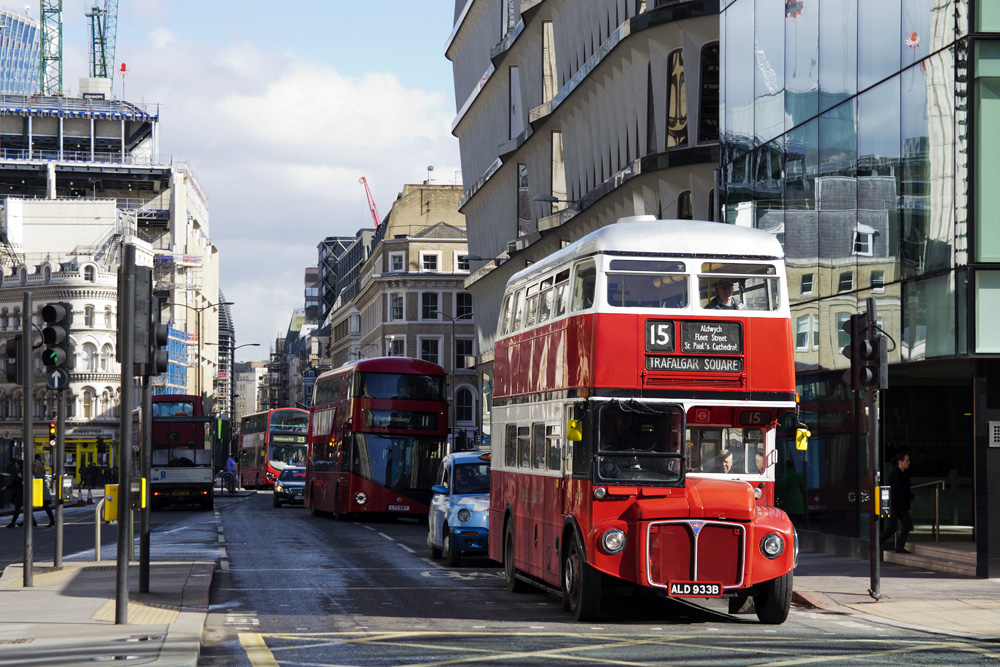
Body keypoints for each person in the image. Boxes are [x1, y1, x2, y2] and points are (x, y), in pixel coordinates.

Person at [880, 452, 917, 554]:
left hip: (900, 505)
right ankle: (876, 544)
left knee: (907, 523)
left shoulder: (904, 475)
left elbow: (905, 491)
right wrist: (912, 497)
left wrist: (908, 506)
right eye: (907, 460)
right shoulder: (895, 473)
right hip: (893, 504)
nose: (909, 462)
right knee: (892, 528)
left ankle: (900, 546)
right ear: (900, 462)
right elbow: (901, 491)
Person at [2, 460, 32, 528]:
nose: (16, 465)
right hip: (21, 492)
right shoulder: (20, 472)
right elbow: (15, 483)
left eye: (17, 464)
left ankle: (13, 523)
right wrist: (7, 487)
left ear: (19, 465)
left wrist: (21, 478)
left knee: (18, 508)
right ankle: (32, 521)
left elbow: (23, 482)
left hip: (22, 493)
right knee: (23, 507)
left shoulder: (21, 473)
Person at [776, 460, 806, 525]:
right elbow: (803, 488)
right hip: (797, 501)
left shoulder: (782, 476)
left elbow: (779, 488)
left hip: (785, 500)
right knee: (796, 521)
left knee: (787, 520)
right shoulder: (799, 476)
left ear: (785, 466)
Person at [31, 455, 55, 527]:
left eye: (34, 465)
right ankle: (31, 521)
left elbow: (35, 482)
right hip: (40, 493)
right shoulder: (37, 473)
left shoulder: (38, 474)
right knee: (44, 507)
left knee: (45, 507)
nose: (32, 467)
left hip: (41, 493)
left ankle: (52, 520)